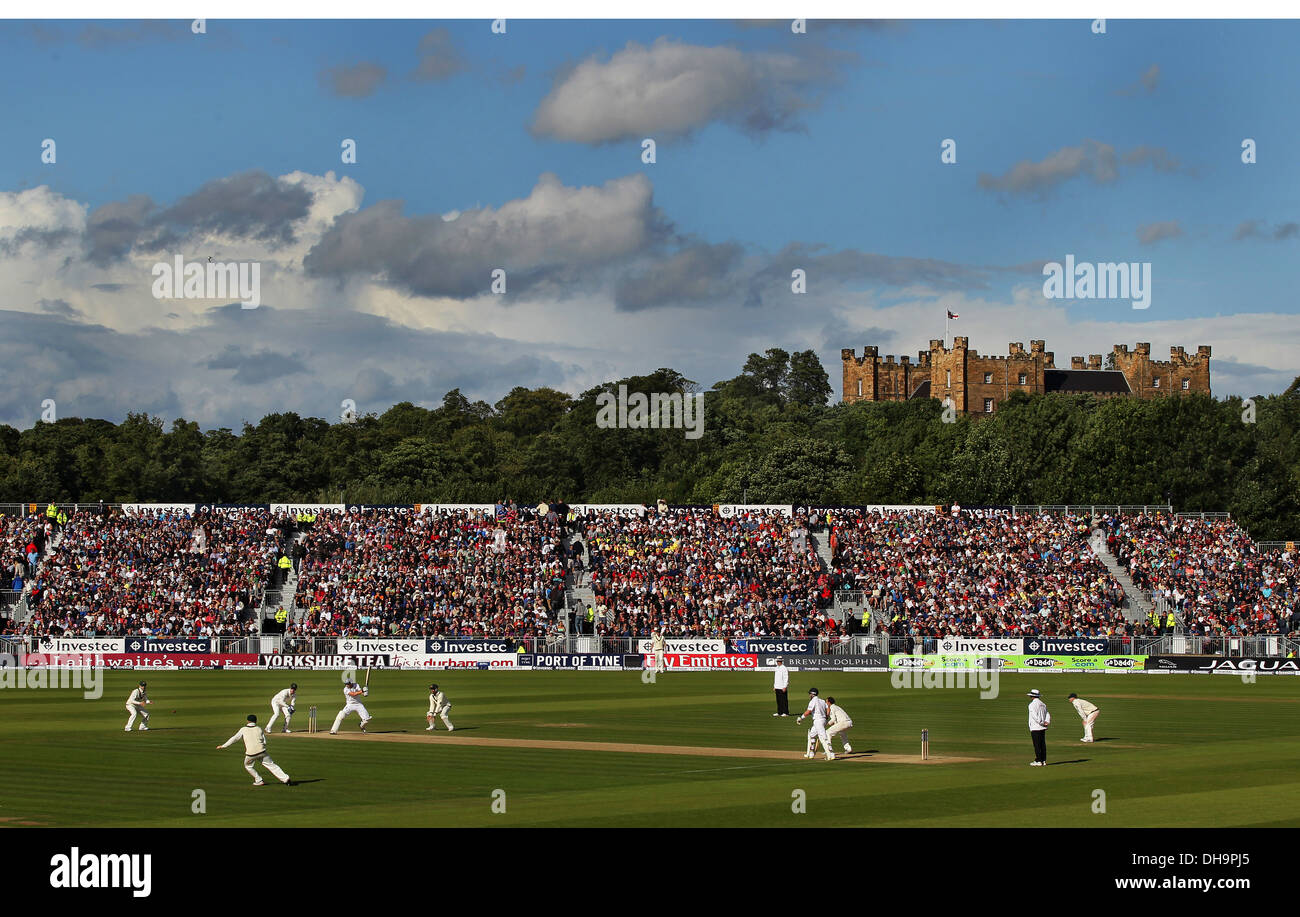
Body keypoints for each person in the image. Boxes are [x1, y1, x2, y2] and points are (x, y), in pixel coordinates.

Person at [217, 714, 293, 787]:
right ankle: (286, 779)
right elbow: (264, 742)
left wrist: (224, 745)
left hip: (250, 754)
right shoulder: (259, 728)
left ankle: (259, 780)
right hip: (262, 752)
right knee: (272, 766)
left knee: (248, 766)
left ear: (247, 721)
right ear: (256, 721)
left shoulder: (243, 729)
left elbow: (234, 738)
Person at [796, 687, 834, 761]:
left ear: (812, 694)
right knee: (812, 735)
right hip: (822, 720)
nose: (809, 695)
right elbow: (828, 708)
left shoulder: (813, 701)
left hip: (818, 721)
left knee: (823, 738)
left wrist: (801, 718)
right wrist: (826, 717)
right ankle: (811, 753)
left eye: (810, 694)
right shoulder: (822, 701)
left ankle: (831, 755)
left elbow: (809, 711)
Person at [1027, 689, 1050, 766]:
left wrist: (1042, 722)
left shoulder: (1032, 705)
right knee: (1042, 744)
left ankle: (1038, 760)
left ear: (1032, 696)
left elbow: (1034, 716)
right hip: (1042, 727)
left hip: (1036, 727)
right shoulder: (1043, 704)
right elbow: (1047, 714)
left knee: (1037, 744)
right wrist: (1047, 722)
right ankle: (1043, 760)